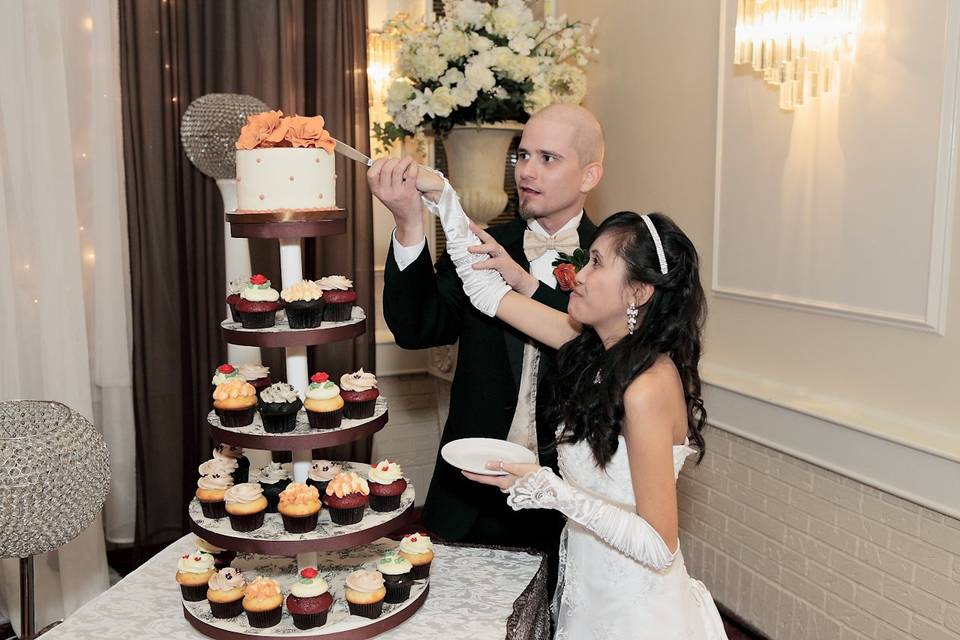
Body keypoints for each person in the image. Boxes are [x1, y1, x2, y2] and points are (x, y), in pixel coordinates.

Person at [414, 173, 727, 638]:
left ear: (639, 292)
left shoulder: (647, 387)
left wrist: (549, 489)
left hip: (634, 610)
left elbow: (659, 545)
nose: (577, 275)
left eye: (596, 263)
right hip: (586, 591)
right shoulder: (592, 348)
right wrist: (443, 198)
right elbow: (486, 294)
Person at [368, 105, 604, 591]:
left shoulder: (614, 258)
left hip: (571, 504)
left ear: (590, 174)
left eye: (548, 158)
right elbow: (418, 328)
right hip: (471, 496)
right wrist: (410, 224)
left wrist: (530, 287)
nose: (528, 171)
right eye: (522, 155)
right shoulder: (482, 244)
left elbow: (610, 352)